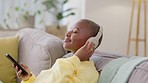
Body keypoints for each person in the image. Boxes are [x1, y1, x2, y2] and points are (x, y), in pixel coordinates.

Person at [14, 19, 103, 83]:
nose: (67, 34)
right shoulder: (67, 62)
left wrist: (76, 58)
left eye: (75, 32)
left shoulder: (89, 74)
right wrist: (28, 79)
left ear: (91, 42)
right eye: (69, 30)